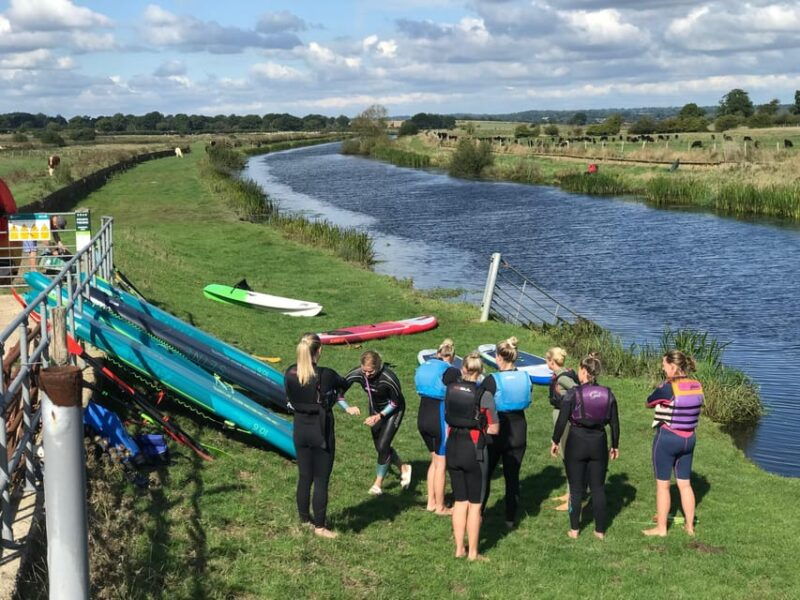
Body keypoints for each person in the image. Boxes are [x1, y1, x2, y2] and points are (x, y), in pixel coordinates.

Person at [284, 333, 360, 539]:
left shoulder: (290, 372)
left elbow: (289, 397)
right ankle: (320, 526)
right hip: (320, 430)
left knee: (304, 476)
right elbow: (343, 384)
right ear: (319, 351)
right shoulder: (326, 374)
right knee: (321, 480)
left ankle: (304, 519)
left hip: (300, 429)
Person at [551, 354, 619, 539]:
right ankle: (599, 531)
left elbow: (562, 419)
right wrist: (615, 445)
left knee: (575, 488)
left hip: (577, 441)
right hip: (598, 441)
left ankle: (574, 530)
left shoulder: (574, 393)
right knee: (597, 488)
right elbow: (614, 423)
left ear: (583, 371)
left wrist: (555, 440)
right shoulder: (608, 393)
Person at [642, 350, 704, 537]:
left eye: (664, 364)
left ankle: (661, 529)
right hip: (689, 440)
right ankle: (690, 527)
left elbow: (649, 402)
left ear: (673, 366)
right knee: (685, 484)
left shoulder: (668, 388)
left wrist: (661, 387)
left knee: (663, 485)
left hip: (668, 439)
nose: (662, 367)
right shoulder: (697, 385)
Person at [445, 352, 499, 560]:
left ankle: (459, 549)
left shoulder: (449, 390)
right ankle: (473, 553)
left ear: (463, 369)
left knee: (460, 501)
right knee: (475, 504)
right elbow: (494, 428)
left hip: (453, 446)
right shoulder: (484, 395)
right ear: (480, 372)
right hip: (474, 448)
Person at [480, 336, 532, 528]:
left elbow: (479, 400)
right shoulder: (525, 377)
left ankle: (479, 513)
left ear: (498, 357)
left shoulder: (492, 380)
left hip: (496, 430)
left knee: (485, 474)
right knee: (513, 476)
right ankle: (510, 519)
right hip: (519, 428)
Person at [343, 350, 412, 495]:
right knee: (380, 447)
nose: (367, 375)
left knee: (383, 446)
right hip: (375, 408)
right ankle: (404, 468)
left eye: (371, 372)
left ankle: (378, 484)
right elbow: (339, 391)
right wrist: (347, 407)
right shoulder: (358, 373)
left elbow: (395, 402)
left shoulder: (389, 378)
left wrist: (379, 416)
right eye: (364, 371)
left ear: (379, 366)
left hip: (394, 409)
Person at [415, 338, 460, 514]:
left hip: (423, 416)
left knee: (434, 461)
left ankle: (431, 502)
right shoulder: (450, 371)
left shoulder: (424, 366)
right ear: (452, 356)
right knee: (442, 464)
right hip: (438, 417)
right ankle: (440, 507)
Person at [546, 347, 580, 511]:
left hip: (565, 419)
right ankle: (568, 493)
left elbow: (577, 391)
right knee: (564, 455)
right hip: (561, 417)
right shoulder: (563, 374)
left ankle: (571, 498)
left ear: (552, 361)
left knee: (568, 456)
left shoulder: (562, 378)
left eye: (547, 360)